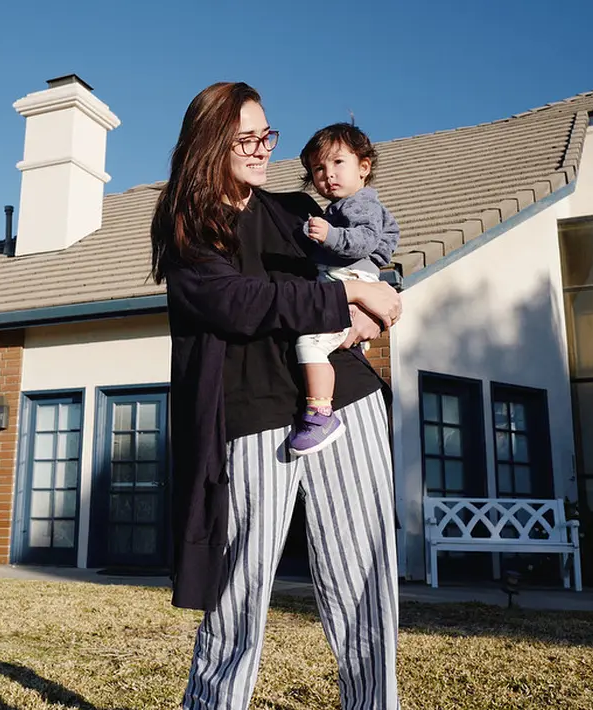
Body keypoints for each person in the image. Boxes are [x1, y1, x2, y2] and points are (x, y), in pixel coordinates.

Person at [150, 81, 404, 710]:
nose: (264, 150)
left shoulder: (296, 213)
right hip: (250, 415)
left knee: (364, 583)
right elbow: (237, 302)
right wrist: (345, 298)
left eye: (268, 136)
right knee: (238, 594)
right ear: (210, 144)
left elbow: (371, 265)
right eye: (247, 139)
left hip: (345, 404)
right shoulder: (189, 227)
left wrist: (376, 302)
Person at [288, 123, 401, 456]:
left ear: (363, 167)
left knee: (309, 344)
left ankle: (321, 413)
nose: (328, 175)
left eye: (338, 163)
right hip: (345, 281)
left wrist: (328, 236)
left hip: (351, 280)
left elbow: (363, 242)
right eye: (319, 169)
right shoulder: (339, 209)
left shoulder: (359, 205)